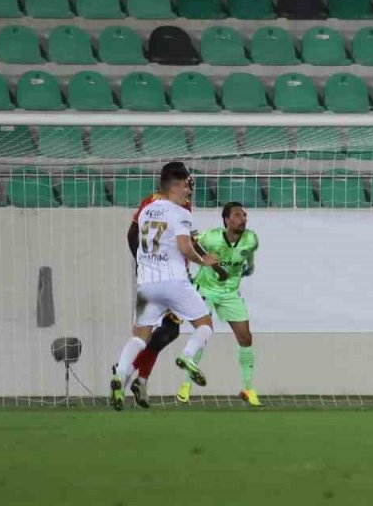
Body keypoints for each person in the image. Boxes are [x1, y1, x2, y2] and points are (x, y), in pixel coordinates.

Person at [110, 163, 218, 411]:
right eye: (187, 184)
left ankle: (123, 374)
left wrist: (144, 264)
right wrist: (203, 261)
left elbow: (136, 235)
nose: (189, 189)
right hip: (174, 281)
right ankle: (185, 357)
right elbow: (183, 245)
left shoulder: (148, 207)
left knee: (145, 336)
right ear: (177, 184)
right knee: (202, 325)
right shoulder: (180, 209)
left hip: (147, 282)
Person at [178, 202, 261, 407]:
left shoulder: (251, 239)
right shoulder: (211, 237)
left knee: (246, 338)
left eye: (244, 215)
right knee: (203, 333)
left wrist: (250, 267)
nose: (243, 219)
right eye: (237, 215)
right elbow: (190, 244)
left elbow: (249, 256)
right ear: (226, 220)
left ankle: (248, 389)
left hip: (230, 292)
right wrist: (199, 262)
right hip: (205, 290)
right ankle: (185, 386)